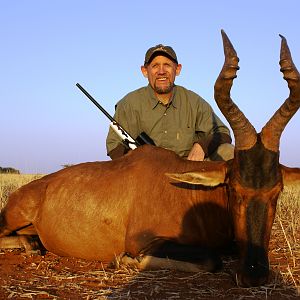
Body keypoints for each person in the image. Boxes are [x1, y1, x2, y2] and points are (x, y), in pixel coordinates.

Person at [106, 44, 234, 161]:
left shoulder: (194, 101)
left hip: (187, 169)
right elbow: (114, 146)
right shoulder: (128, 103)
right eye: (155, 66)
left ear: (177, 70)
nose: (161, 71)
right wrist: (138, 157)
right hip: (146, 171)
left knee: (228, 151)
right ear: (145, 71)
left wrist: (201, 146)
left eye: (167, 65)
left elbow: (223, 133)